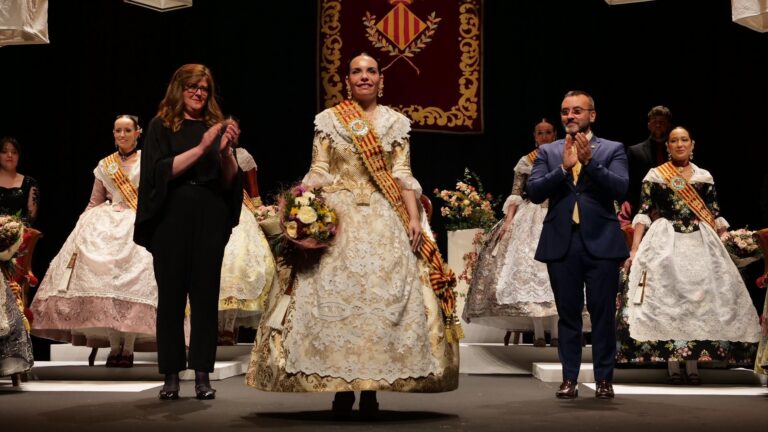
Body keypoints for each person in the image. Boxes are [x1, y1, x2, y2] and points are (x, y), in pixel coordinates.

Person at [245, 52, 459, 418]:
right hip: (338, 217)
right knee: (334, 298)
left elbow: (403, 173)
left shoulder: (397, 122)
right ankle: (342, 386)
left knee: (382, 300)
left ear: (381, 80)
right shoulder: (330, 120)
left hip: (383, 216)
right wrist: (302, 205)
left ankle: (372, 387)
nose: (364, 77)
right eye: (357, 72)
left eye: (371, 71)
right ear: (347, 81)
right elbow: (319, 169)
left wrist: (412, 218)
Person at [619, 126, 760, 384]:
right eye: (674, 141)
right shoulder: (656, 175)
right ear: (668, 146)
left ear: (692, 144)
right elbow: (644, 211)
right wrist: (636, 247)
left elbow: (714, 213)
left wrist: (731, 241)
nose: (680, 144)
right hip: (665, 239)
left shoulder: (704, 176)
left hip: (700, 238)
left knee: (700, 298)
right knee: (670, 297)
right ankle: (673, 364)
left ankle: (693, 365)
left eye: (684, 140)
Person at [134, 64, 242, 401]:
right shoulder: (161, 126)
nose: (199, 94)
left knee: (206, 296)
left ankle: (202, 375)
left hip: (209, 212)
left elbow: (228, 180)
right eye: (192, 87)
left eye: (204, 89)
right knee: (171, 297)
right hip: (172, 215)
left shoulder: (215, 126)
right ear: (178, 89)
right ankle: (170, 374)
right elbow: (158, 173)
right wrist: (202, 147)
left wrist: (224, 152)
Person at [31, 115, 157, 368]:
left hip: (136, 226)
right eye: (118, 130)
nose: (122, 135)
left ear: (138, 132)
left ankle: (129, 348)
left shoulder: (149, 160)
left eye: (127, 130)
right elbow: (94, 201)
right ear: (113, 134)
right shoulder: (105, 165)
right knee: (106, 285)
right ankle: (114, 347)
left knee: (132, 286)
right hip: (105, 227)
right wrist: (82, 229)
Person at [527, 90, 629, 399]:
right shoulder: (549, 152)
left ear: (591, 115)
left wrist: (591, 164)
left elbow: (621, 187)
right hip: (563, 242)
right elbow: (533, 192)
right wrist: (563, 169)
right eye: (565, 112)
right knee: (568, 314)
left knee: (601, 315)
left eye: (577, 111)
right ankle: (569, 379)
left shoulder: (612, 148)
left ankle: (603, 380)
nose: (570, 116)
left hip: (602, 242)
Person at [463, 119, 560, 347]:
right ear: (534, 136)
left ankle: (556, 333)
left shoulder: (563, 156)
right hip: (532, 216)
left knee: (555, 276)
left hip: (557, 213)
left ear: (555, 134)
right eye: (540, 133)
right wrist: (508, 221)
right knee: (532, 272)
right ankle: (537, 334)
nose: (544, 137)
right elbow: (516, 193)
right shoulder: (527, 160)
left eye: (548, 133)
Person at [217, 146, 276, 345]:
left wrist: (261, 213)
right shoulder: (205, 153)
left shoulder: (242, 156)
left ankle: (229, 326)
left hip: (239, 214)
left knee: (236, 265)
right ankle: (215, 326)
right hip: (212, 211)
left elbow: (253, 192)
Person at [626, 106, 672, 216]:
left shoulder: (677, 151)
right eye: (654, 121)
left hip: (673, 209)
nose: (658, 124)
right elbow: (630, 185)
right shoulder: (634, 151)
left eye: (662, 121)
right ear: (649, 125)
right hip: (642, 210)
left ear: (669, 125)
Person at [0, 137, 39, 226]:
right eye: (4, 151)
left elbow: (30, 216)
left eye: (14, 152)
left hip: (19, 236)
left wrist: (11, 229)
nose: (9, 155)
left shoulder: (30, 182)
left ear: (18, 156)